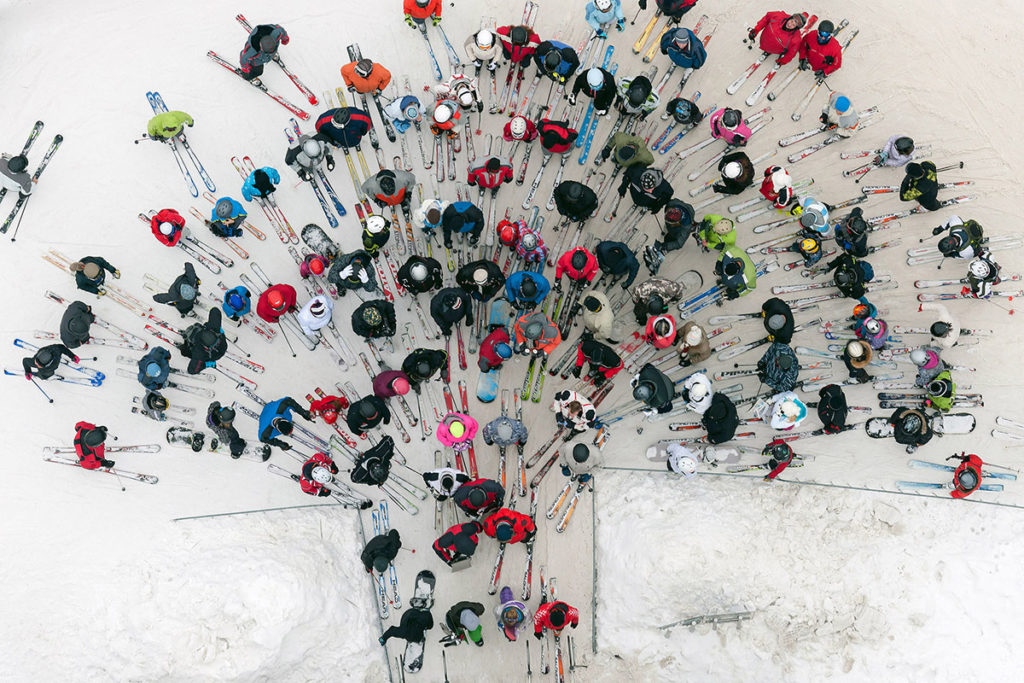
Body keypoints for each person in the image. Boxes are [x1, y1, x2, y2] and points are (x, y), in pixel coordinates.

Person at [178, 308, 228, 374]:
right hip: (223, 345)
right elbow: (215, 310)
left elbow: (192, 371)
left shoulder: (199, 352)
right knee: (205, 325)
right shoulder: (214, 329)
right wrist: (218, 329)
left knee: (185, 351)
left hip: (214, 356)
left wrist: (206, 364)